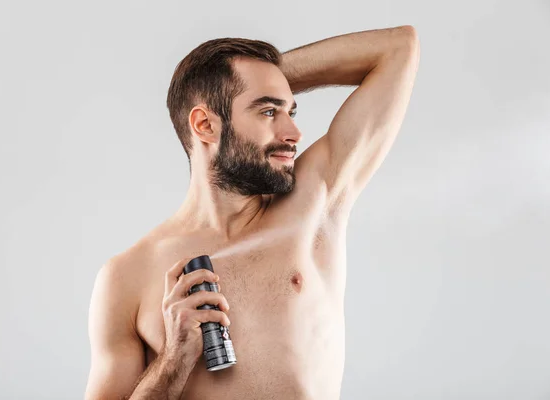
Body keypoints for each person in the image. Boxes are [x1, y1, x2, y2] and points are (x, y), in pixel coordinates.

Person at [85, 25, 420, 400]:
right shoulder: (127, 276)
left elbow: (397, 49)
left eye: (289, 110)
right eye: (268, 111)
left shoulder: (313, 203)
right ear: (205, 124)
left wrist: (262, 79)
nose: (294, 131)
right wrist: (173, 360)